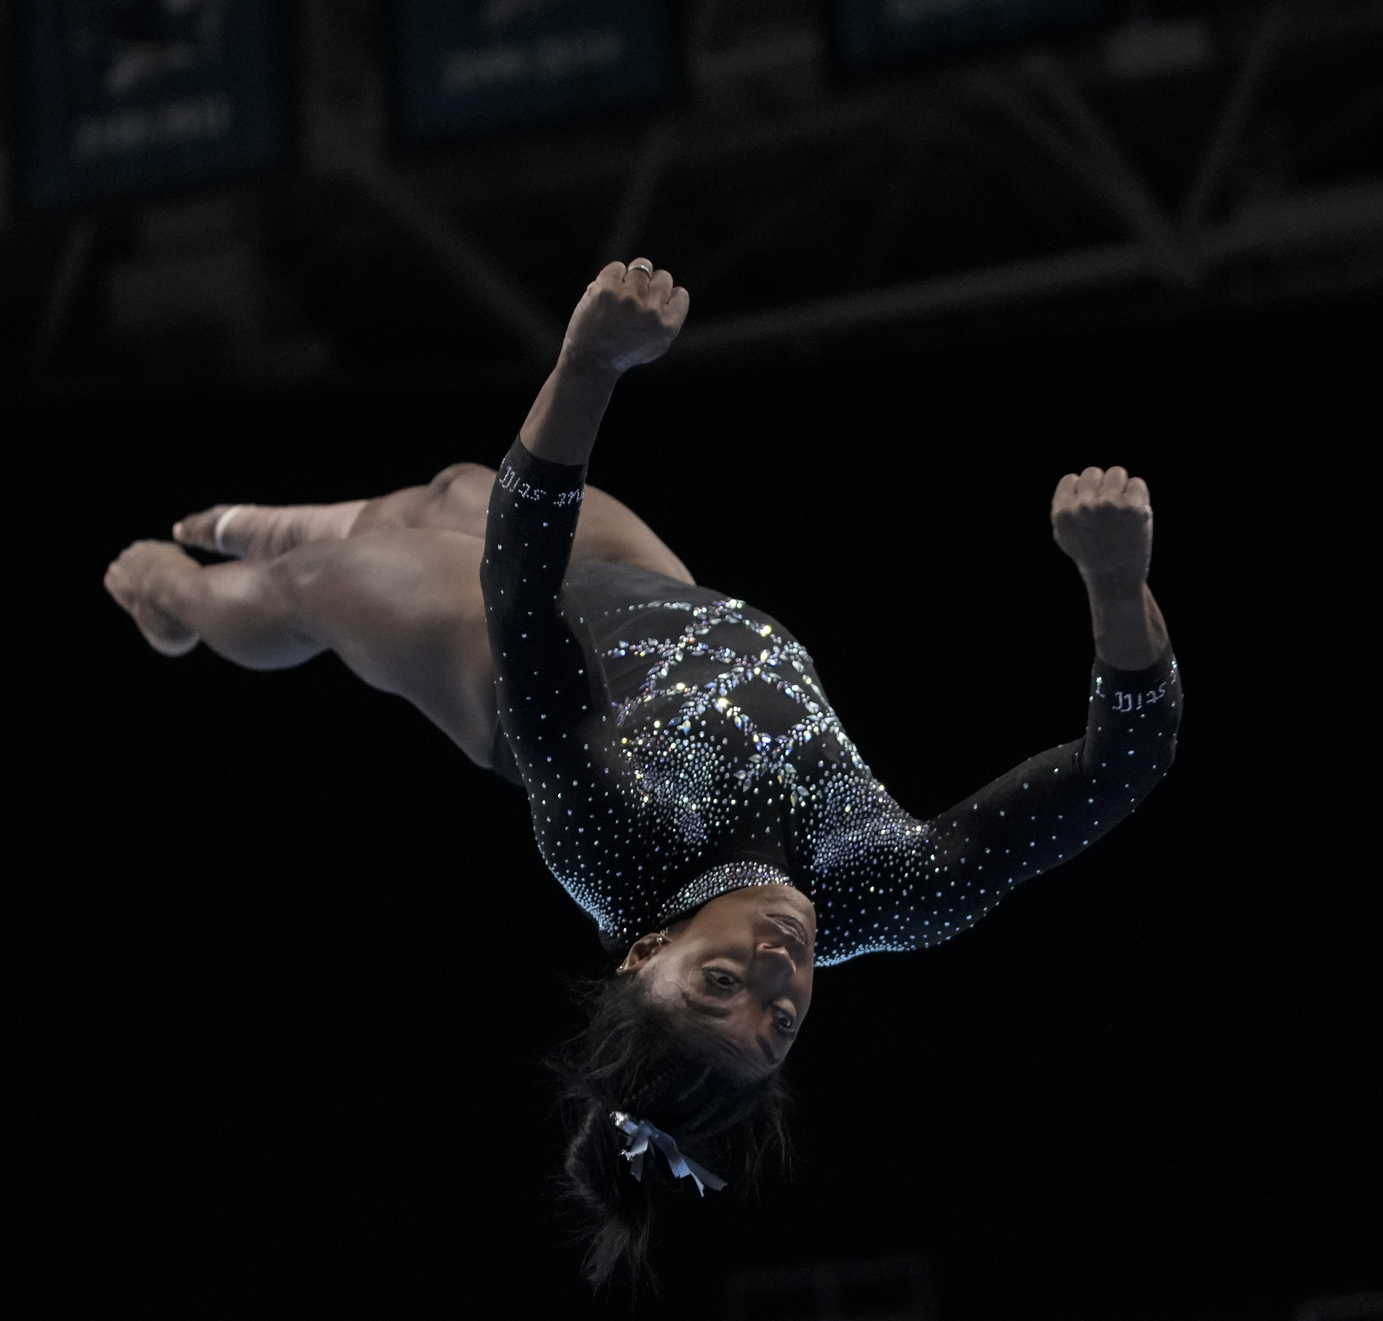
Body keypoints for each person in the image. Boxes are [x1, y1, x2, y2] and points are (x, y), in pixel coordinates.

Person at [103, 259, 1181, 1285]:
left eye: (721, 986)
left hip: (483, 656)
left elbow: (516, 588)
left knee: (310, 583)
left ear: (644, 955)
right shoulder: (891, 895)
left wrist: (587, 362)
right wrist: (1114, 584)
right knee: (459, 487)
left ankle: (183, 604)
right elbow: (1117, 771)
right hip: (660, 600)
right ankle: (347, 516)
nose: (775, 973)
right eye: (782, 1016)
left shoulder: (614, 841)